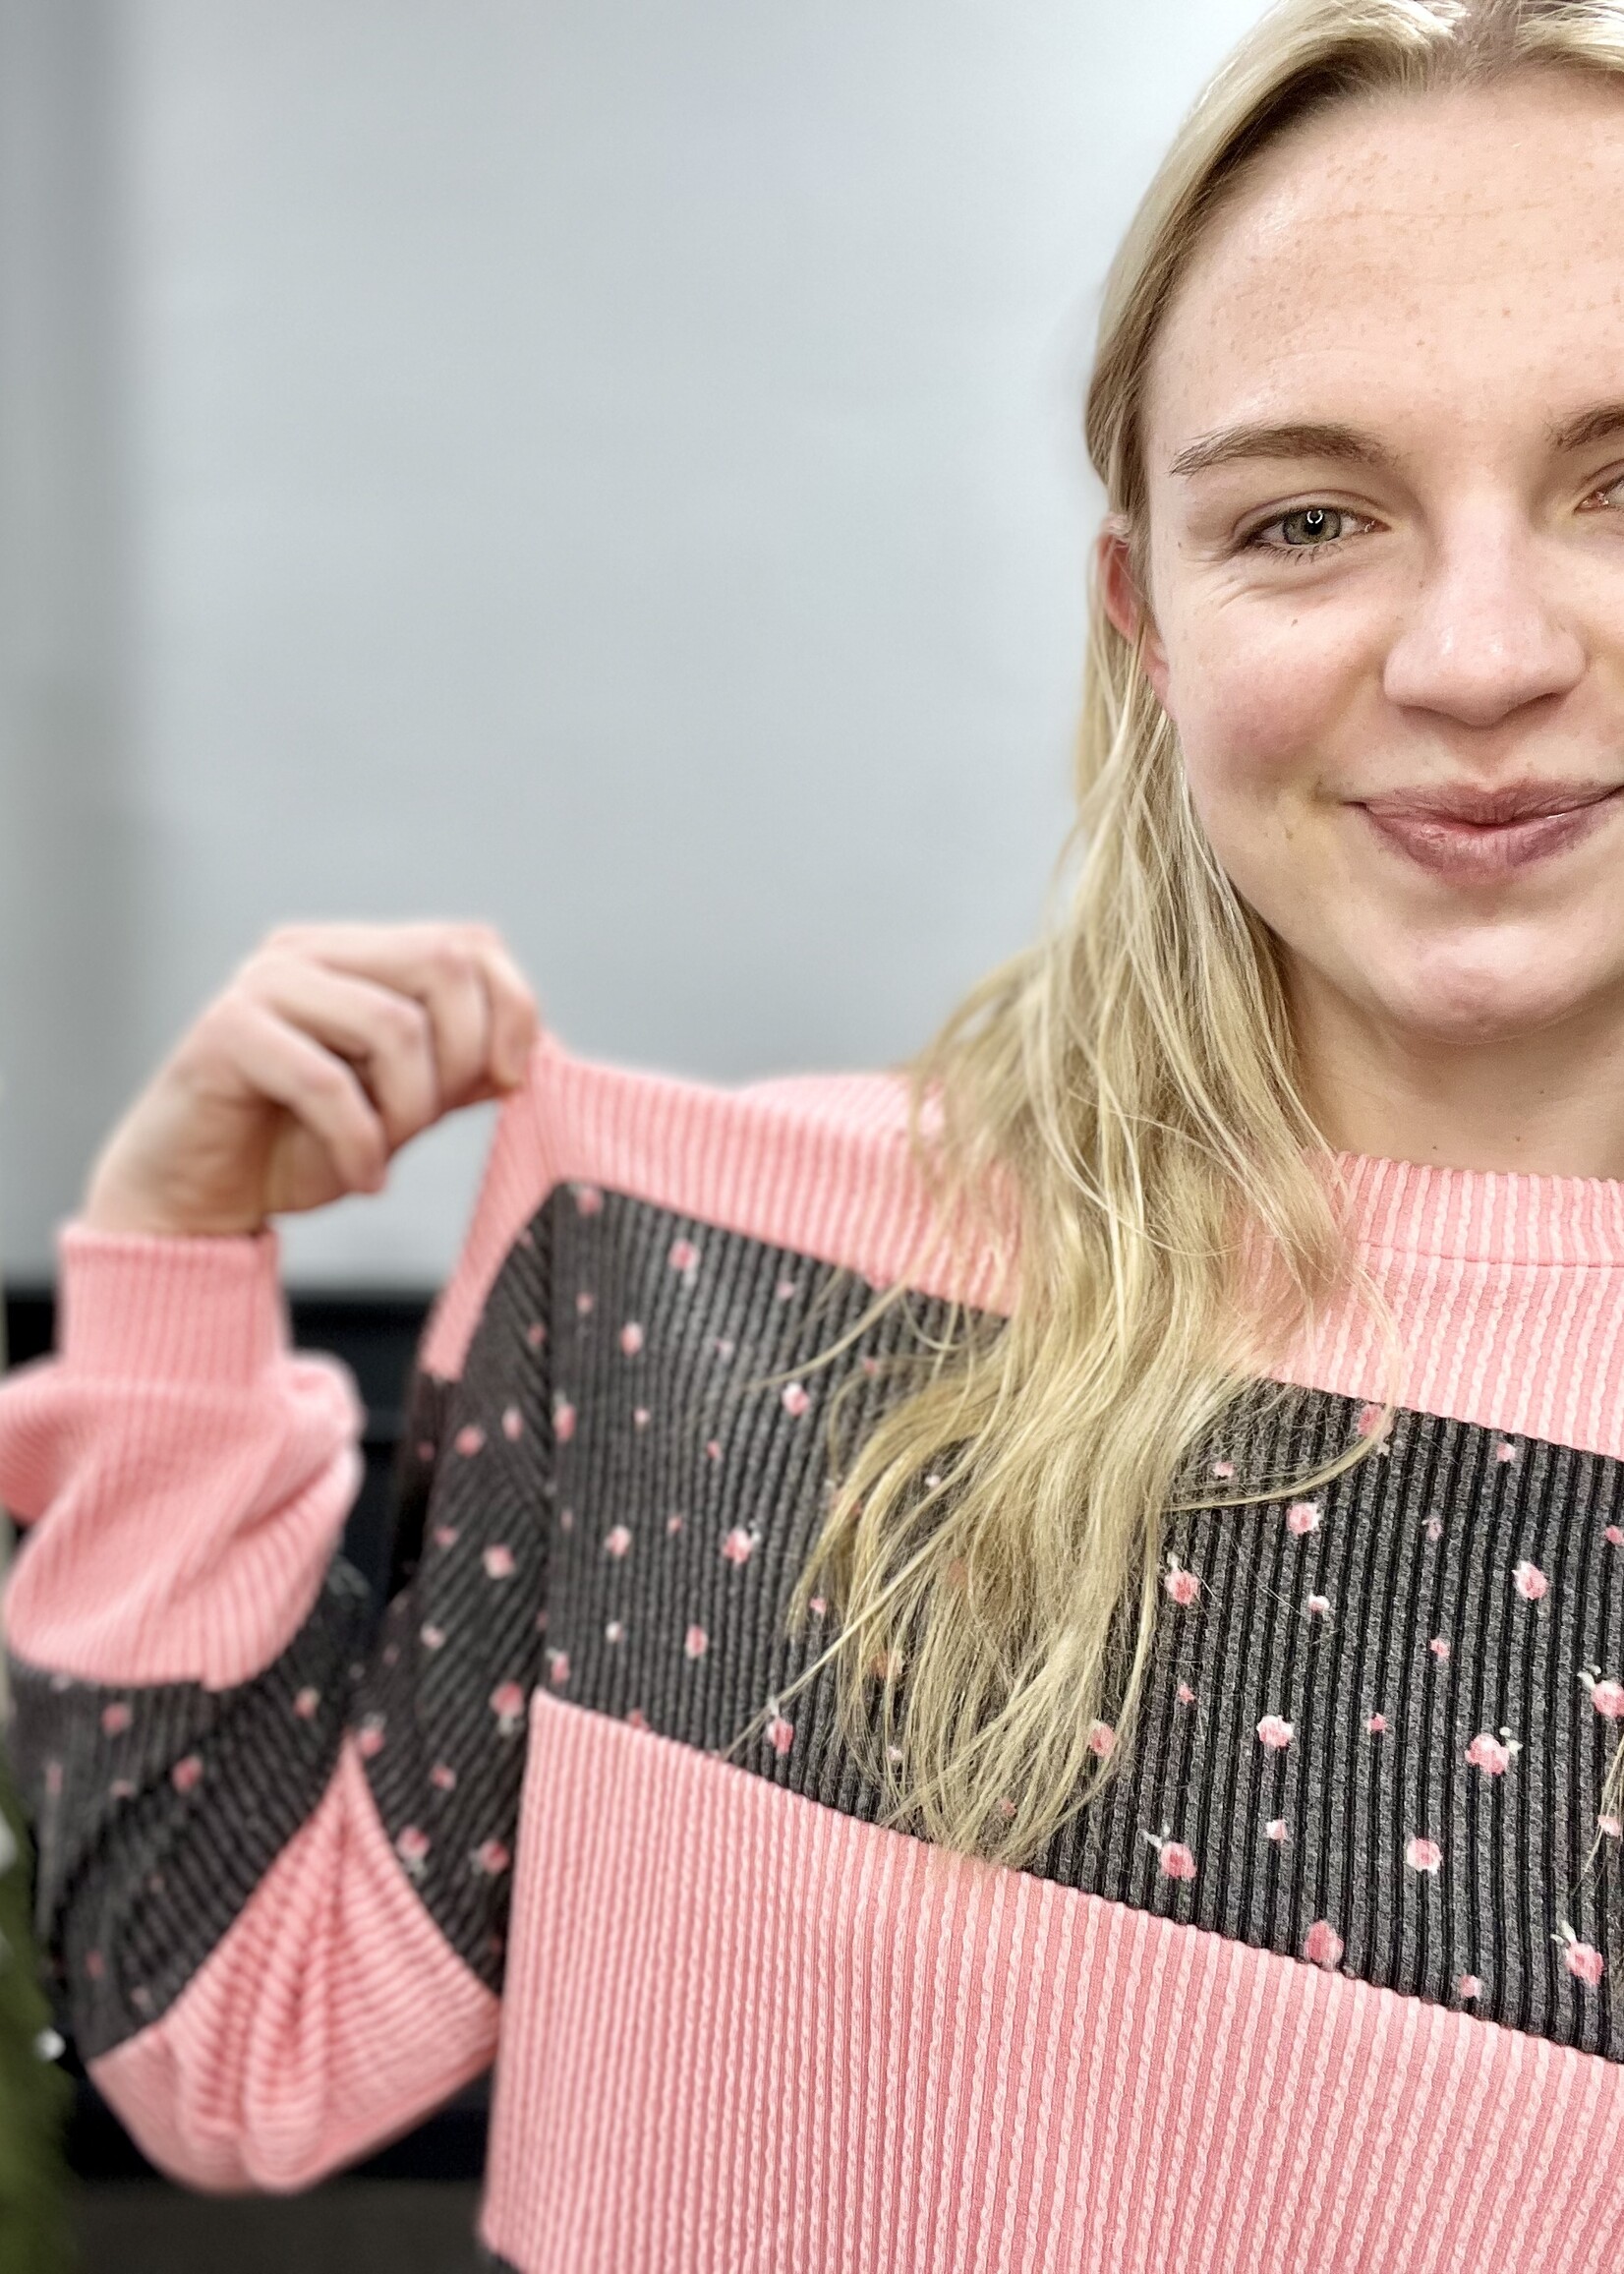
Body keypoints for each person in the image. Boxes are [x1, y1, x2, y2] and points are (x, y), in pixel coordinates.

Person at [6, 0, 1624, 2264]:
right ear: (1142, 623)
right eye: (1305, 515)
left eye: (1617, 482)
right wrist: (170, 1261)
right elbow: (229, 2041)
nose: (1473, 651)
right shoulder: (705, 1284)